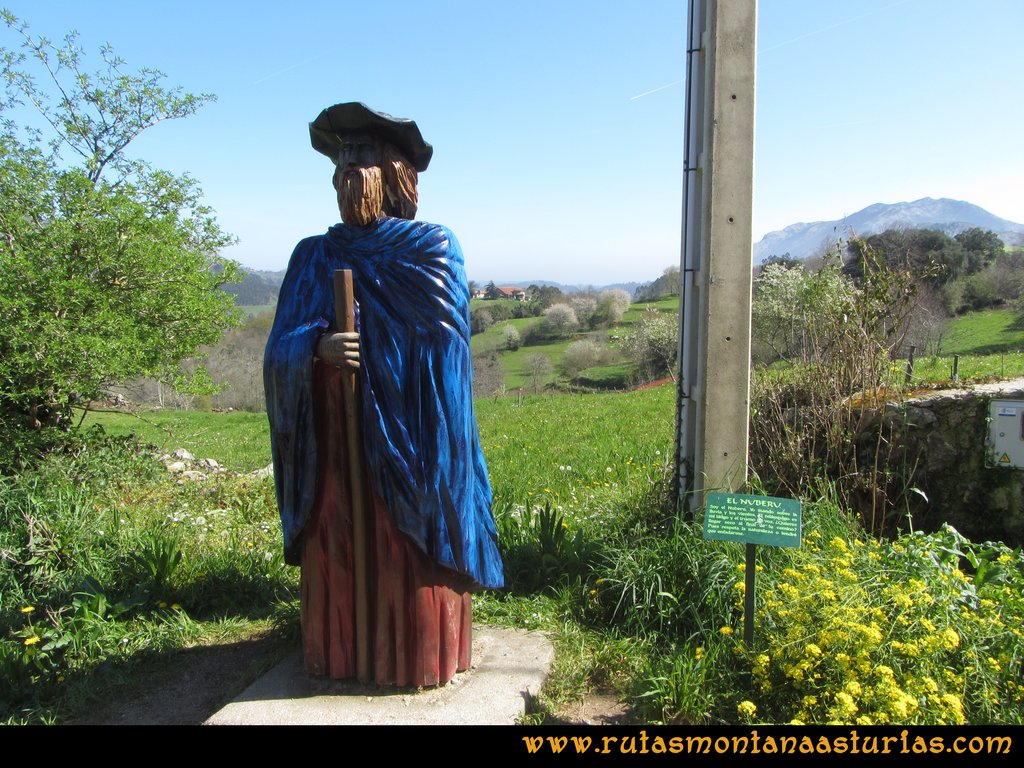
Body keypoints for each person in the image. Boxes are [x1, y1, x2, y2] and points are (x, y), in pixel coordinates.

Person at [264, 103, 503, 687]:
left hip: (414, 446)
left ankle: (417, 658)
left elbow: (447, 348)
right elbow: (279, 350)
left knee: (406, 564)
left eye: (364, 153)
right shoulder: (312, 256)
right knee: (341, 563)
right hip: (335, 457)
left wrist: (382, 356)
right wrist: (315, 348)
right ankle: (339, 656)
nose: (351, 166)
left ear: (396, 170)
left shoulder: (431, 247)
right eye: (344, 155)